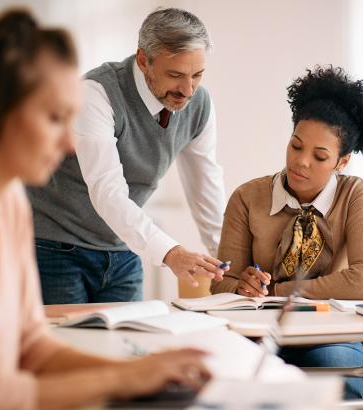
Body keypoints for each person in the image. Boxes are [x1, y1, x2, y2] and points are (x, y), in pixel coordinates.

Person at [0, 10, 211, 409]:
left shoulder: (10, 202)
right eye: (53, 118)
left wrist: (139, 372)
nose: (68, 143)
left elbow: (32, 346)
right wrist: (122, 379)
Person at [210, 66, 363, 398]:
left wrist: (282, 290)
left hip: (331, 334)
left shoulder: (356, 195)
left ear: (342, 161)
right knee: (232, 388)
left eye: (320, 156)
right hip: (257, 333)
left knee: (334, 391)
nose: (301, 162)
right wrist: (243, 285)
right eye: (296, 146)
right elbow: (221, 281)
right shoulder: (247, 197)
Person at [27, 8, 228, 304]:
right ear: (143, 60)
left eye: (197, 75)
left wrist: (228, 257)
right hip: (57, 248)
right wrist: (171, 253)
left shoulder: (199, 104)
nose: (187, 90)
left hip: (122, 251)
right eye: (175, 75)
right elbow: (108, 191)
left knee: (128, 347)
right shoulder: (97, 93)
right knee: (68, 345)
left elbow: (205, 186)